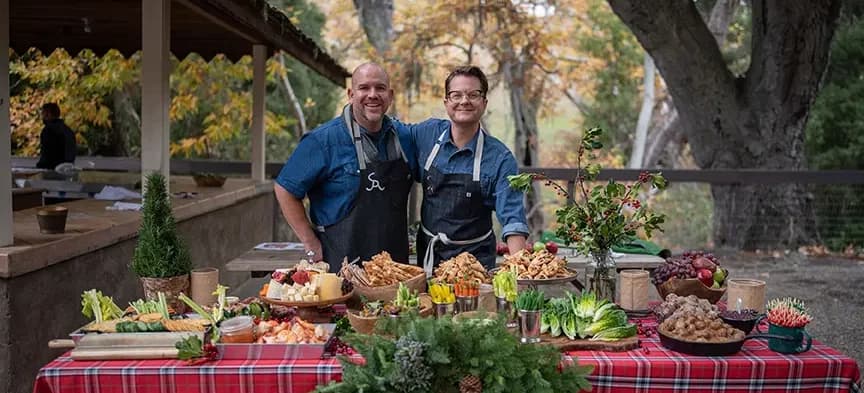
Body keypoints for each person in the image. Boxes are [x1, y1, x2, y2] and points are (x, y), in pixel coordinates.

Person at [274, 63, 416, 272]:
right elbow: (285, 189)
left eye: (380, 88)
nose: (373, 95)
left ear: (390, 95)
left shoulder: (405, 137)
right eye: (364, 88)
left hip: (395, 271)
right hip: (339, 268)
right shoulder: (323, 140)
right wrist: (310, 242)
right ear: (351, 94)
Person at [408, 65, 528, 274]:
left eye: (473, 94)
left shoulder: (500, 158)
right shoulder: (425, 135)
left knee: (475, 308)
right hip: (428, 258)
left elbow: (513, 218)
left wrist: (522, 272)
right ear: (446, 102)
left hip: (476, 264)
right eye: (456, 95)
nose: (464, 101)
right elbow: (386, 128)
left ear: (484, 103)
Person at [36, 103, 77, 170]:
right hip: (67, 170)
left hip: (52, 171)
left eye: (43, 113)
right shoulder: (68, 130)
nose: (42, 117)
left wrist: (39, 167)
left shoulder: (48, 131)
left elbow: (47, 155)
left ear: (48, 114)